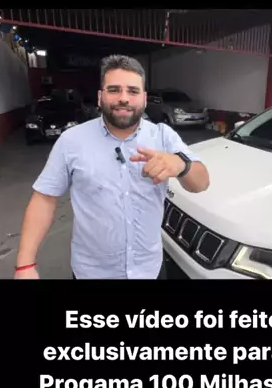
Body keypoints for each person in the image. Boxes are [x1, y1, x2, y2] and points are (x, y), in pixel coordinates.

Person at [14, 54, 210, 280]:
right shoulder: (71, 141)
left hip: (149, 270)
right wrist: (25, 264)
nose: (123, 98)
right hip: (92, 273)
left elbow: (201, 183)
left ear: (144, 98)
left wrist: (181, 164)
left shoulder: (163, 137)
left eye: (133, 91)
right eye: (114, 90)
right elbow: (44, 199)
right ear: (100, 97)